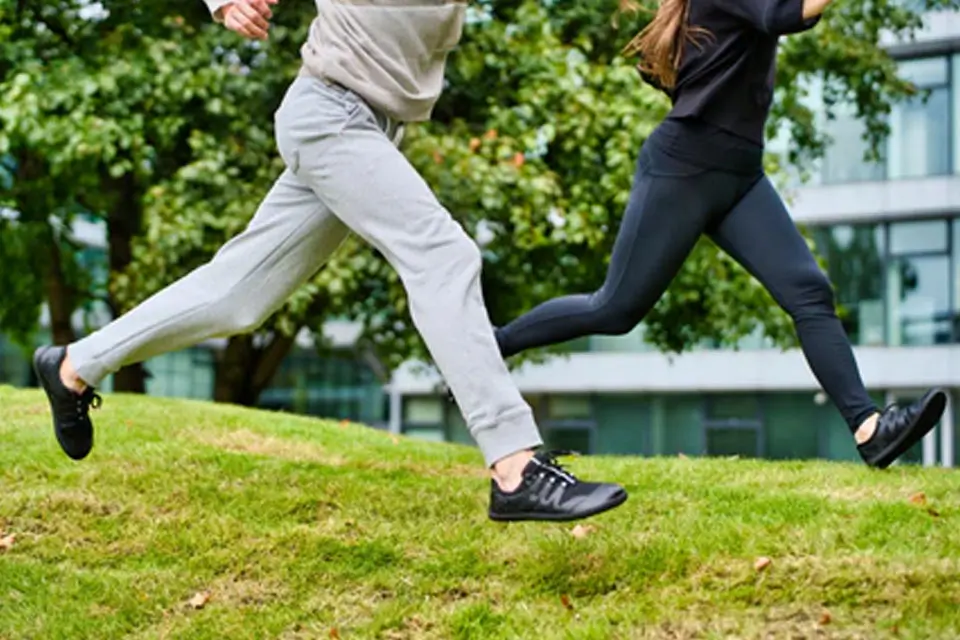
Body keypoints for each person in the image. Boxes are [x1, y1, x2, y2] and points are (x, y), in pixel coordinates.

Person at [32, 0, 628, 523]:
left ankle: (73, 367)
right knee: (444, 256)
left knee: (237, 295)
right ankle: (515, 466)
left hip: (364, 125)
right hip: (331, 115)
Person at [493, 0, 948, 469]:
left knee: (809, 291)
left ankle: (869, 429)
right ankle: (492, 345)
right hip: (683, 169)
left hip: (740, 175)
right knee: (614, 309)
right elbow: (781, 15)